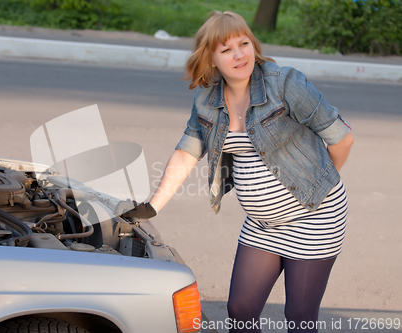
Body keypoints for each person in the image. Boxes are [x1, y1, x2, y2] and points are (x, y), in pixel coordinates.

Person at [121, 10, 354, 333]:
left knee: (300, 317)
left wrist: (316, 186)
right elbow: (187, 153)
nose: (239, 54)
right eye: (226, 49)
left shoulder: (284, 83)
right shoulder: (208, 99)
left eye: (244, 43)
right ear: (211, 58)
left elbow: (341, 138)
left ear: (253, 45)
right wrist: (152, 207)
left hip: (314, 218)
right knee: (240, 309)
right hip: (262, 225)